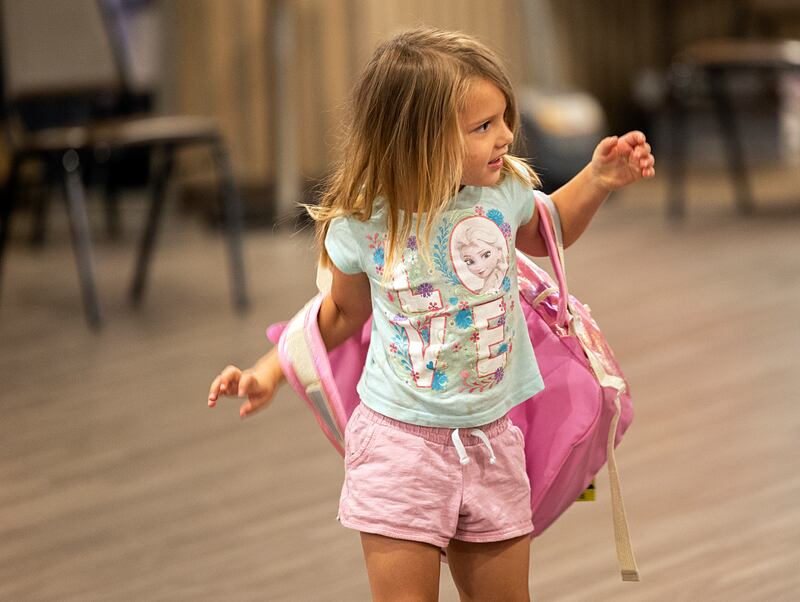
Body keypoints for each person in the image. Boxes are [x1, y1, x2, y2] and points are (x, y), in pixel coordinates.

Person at [208, 27, 655, 602]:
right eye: (484, 127)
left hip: (494, 440)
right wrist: (266, 371)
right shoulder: (365, 222)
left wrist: (596, 179)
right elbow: (340, 316)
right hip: (399, 449)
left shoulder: (505, 190)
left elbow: (550, 231)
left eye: (503, 118)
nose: (506, 136)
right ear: (420, 139)